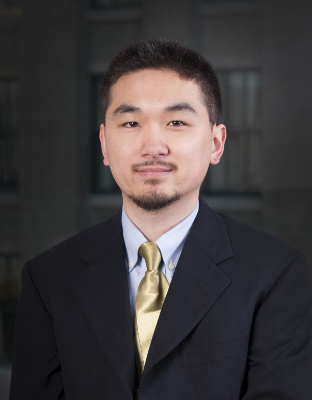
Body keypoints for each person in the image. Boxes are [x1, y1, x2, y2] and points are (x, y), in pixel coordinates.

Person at [10, 39, 312, 400]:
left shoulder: (278, 273)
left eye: (177, 121)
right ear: (104, 144)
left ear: (216, 143)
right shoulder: (48, 278)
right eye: (132, 122)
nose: (153, 145)